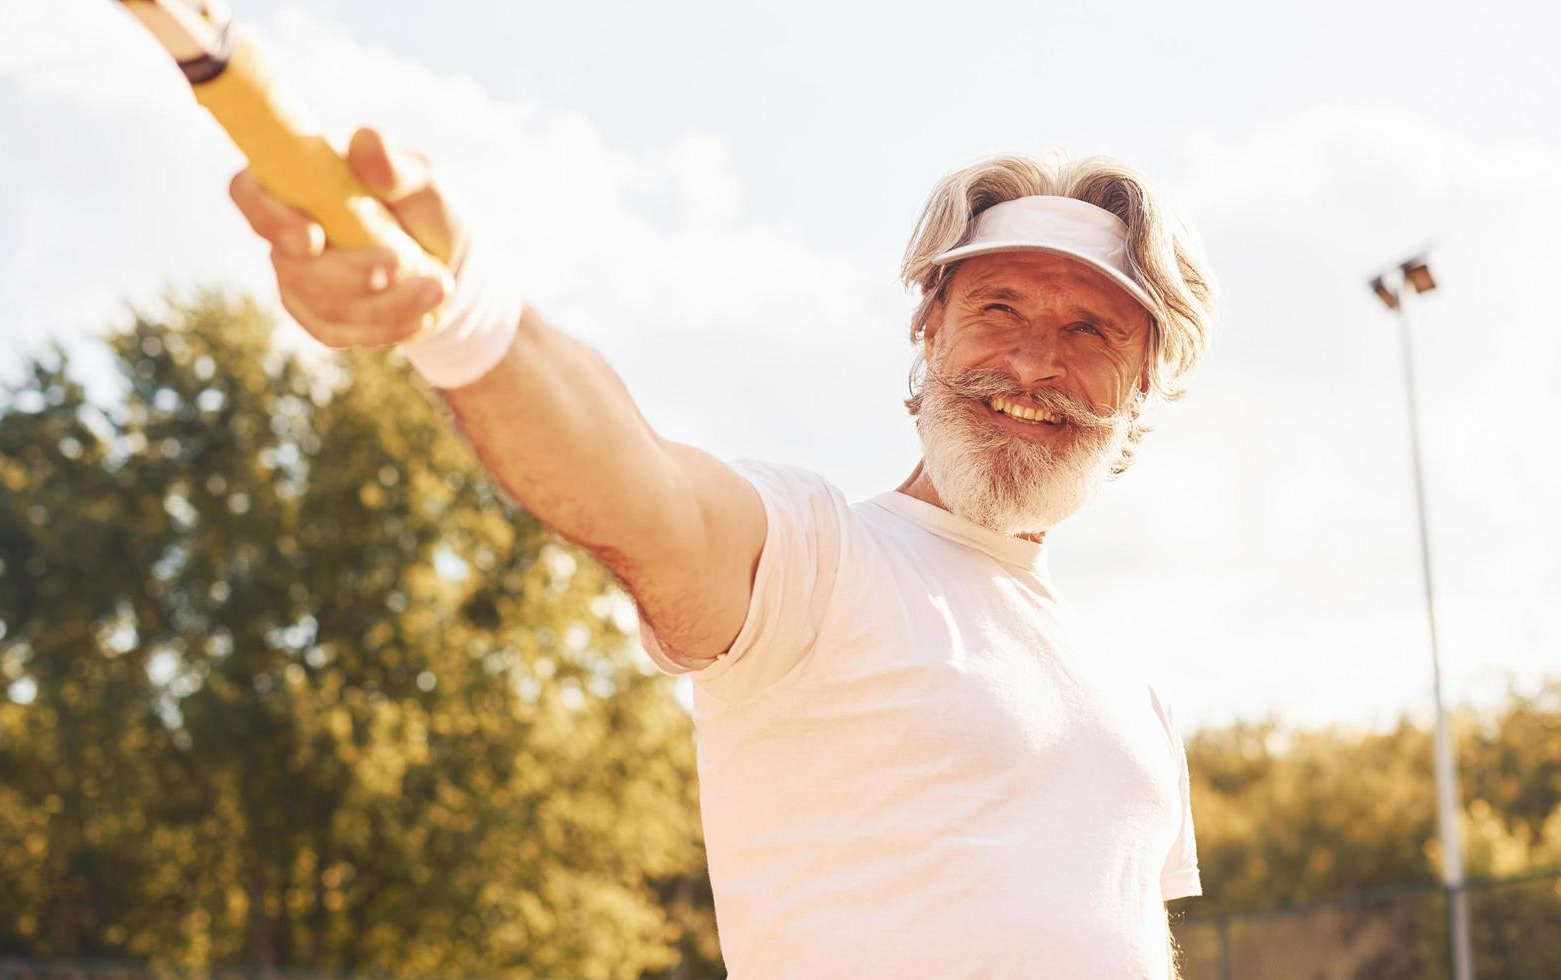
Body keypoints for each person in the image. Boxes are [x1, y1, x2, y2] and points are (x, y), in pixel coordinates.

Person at [229, 127, 1222, 978]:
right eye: (997, 307)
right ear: (930, 326)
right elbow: (639, 486)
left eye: (1089, 328)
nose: (1033, 361)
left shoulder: (1132, 690)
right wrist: (456, 314)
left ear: (1142, 384)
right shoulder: (821, 555)